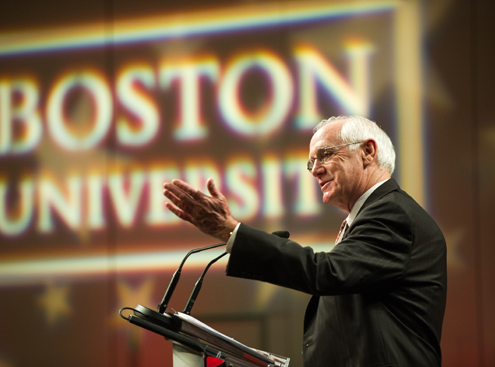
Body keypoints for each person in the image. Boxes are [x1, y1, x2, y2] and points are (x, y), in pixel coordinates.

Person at [163, 115, 447, 367]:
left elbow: (325, 272)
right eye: (311, 162)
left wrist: (231, 232)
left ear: (367, 152)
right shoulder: (369, 218)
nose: (314, 170)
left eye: (325, 155)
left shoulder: (392, 213)